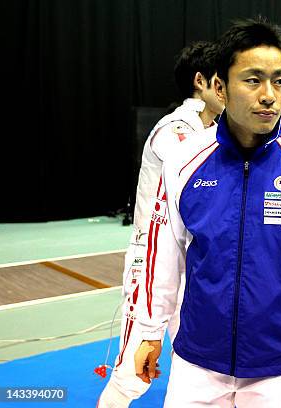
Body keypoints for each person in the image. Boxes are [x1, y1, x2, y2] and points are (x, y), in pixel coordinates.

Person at [132, 18, 281, 407]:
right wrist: (150, 328)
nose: (269, 95)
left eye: (279, 81)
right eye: (253, 80)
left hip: (278, 362)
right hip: (197, 360)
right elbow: (163, 253)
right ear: (220, 88)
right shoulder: (184, 161)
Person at [97, 40, 224, 408]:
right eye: (222, 79)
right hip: (153, 262)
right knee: (133, 371)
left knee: (201, 367)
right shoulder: (175, 129)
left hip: (194, 264)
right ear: (202, 82)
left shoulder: (213, 130)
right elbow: (202, 189)